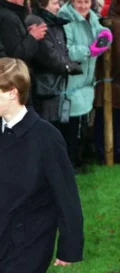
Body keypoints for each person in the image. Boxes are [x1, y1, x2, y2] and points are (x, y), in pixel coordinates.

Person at [0, 57, 84, 273]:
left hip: (31, 243)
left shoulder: (46, 137)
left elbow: (66, 196)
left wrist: (69, 246)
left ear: (12, 92)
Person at [57, 0, 113, 170]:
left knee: (82, 122)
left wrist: (105, 34)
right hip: (71, 80)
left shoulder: (92, 17)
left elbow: (100, 31)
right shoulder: (65, 19)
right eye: (79, 2)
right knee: (70, 124)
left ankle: (78, 159)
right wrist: (90, 50)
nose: (83, 6)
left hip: (87, 81)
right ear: (72, 2)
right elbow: (68, 50)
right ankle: (69, 162)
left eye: (86, 2)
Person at [25, 0, 82, 124]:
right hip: (45, 86)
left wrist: (70, 64)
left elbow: (63, 50)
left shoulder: (56, 22)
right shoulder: (36, 22)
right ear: (42, 4)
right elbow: (49, 55)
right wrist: (69, 66)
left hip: (57, 84)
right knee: (46, 125)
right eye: (55, 3)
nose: (58, 7)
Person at [94, 0, 120, 163]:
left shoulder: (108, 23)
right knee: (109, 121)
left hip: (109, 82)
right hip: (109, 81)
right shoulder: (109, 25)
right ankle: (108, 153)